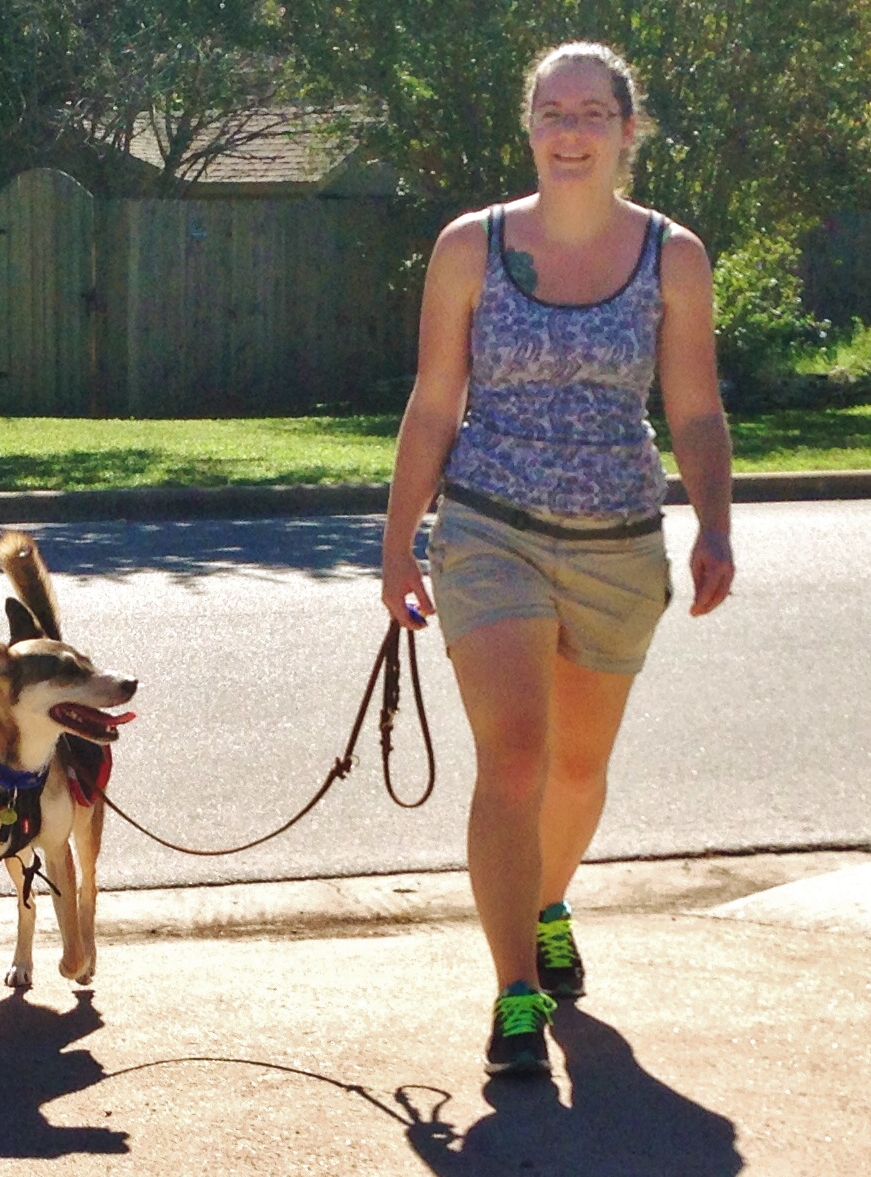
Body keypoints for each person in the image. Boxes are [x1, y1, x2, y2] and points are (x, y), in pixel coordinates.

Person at [381, 41, 734, 1078]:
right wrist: (398, 538)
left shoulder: (674, 255)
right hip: (488, 529)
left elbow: (696, 408)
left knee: (579, 770)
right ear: (529, 127)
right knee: (519, 759)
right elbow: (435, 402)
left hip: (620, 542)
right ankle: (515, 996)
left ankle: (545, 904)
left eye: (592, 112)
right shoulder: (469, 248)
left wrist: (714, 523)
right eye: (552, 111)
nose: (570, 130)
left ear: (628, 131)